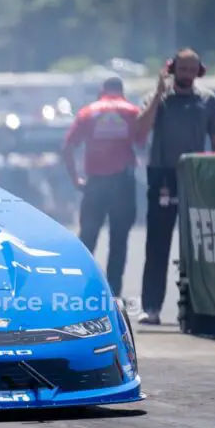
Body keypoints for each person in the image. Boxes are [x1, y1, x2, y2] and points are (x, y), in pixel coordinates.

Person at [135, 49, 215, 325]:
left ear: (199, 71)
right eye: (182, 69)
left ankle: (198, 307)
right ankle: (150, 306)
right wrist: (158, 93)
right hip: (163, 176)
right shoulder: (158, 99)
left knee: (198, 245)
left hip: (196, 177)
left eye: (191, 70)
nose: (186, 75)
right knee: (157, 244)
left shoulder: (208, 101)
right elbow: (140, 131)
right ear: (172, 69)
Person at [62, 76, 142, 299]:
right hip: (122, 183)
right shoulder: (132, 111)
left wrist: (75, 179)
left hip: (95, 183)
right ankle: (114, 293)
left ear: (101, 91)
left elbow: (67, 147)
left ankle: (80, 288)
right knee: (119, 240)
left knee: (87, 238)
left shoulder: (88, 112)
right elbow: (142, 141)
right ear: (121, 91)